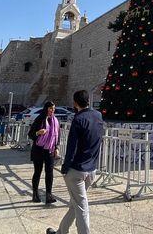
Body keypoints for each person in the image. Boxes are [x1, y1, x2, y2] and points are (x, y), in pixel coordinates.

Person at [46, 90, 104, 234]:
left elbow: (72, 147)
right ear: (88, 101)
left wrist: (65, 168)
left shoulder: (78, 119)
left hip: (77, 170)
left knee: (81, 206)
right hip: (91, 169)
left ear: (75, 103)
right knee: (75, 204)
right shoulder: (98, 115)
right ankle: (61, 232)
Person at [28, 101, 60, 204]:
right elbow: (30, 134)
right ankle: (35, 194)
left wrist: (57, 147)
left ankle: (48, 195)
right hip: (38, 149)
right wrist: (38, 132)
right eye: (50, 108)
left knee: (49, 172)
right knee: (37, 172)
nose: (52, 111)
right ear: (46, 109)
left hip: (50, 150)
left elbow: (57, 135)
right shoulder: (39, 119)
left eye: (54, 109)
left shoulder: (55, 121)